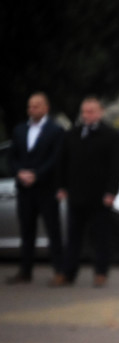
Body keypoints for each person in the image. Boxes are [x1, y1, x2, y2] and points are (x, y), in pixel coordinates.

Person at [55, 96, 119, 287]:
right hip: (76, 195)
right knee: (73, 236)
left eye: (91, 111)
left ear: (100, 112)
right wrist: (61, 187)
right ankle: (68, 273)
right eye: (84, 111)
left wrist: (111, 192)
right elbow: (63, 162)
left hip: (100, 197)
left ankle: (101, 272)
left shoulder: (110, 136)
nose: (87, 115)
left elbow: (116, 167)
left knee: (101, 236)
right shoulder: (73, 134)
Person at [7, 92, 64, 285]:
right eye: (30, 106)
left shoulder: (56, 130)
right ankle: (25, 271)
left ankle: (59, 271)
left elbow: (56, 159)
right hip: (25, 189)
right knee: (26, 231)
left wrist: (37, 174)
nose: (32, 109)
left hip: (46, 189)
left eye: (36, 106)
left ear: (46, 108)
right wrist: (19, 172)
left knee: (53, 230)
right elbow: (12, 156)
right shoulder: (20, 129)